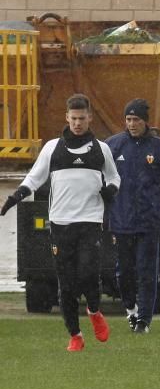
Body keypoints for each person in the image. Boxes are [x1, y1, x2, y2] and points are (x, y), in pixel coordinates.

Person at [0, 94, 120, 351]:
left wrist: (111, 190)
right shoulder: (52, 148)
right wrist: (13, 199)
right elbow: (33, 179)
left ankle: (95, 311)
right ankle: (75, 335)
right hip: (60, 224)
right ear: (66, 117)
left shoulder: (102, 149)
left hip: (89, 222)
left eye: (82, 118)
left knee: (89, 273)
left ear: (89, 118)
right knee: (66, 284)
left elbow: (114, 177)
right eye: (73, 118)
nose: (77, 123)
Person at [106, 99, 160, 334]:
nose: (132, 124)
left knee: (147, 271)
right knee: (124, 271)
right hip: (121, 221)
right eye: (128, 120)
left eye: (136, 120)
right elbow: (100, 182)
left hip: (149, 222)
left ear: (145, 121)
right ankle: (130, 308)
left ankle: (144, 321)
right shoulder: (113, 146)